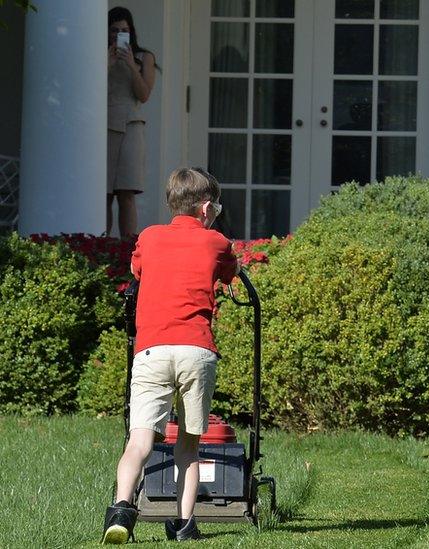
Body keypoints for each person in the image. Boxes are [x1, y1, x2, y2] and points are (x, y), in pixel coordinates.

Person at [101, 168, 239, 544]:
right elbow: (231, 273)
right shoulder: (217, 241)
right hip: (196, 350)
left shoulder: (149, 236)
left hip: (152, 349)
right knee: (190, 446)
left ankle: (120, 508)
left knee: (139, 441)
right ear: (207, 208)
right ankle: (183, 525)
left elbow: (137, 269)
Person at [107, 6, 157, 239]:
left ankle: (127, 248)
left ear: (131, 31)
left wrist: (130, 64)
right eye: (114, 31)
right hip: (104, 126)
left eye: (124, 30)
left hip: (131, 124)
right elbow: (89, 90)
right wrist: (107, 61)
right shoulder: (99, 55)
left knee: (126, 191)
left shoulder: (144, 57)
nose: (119, 35)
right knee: (103, 193)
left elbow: (144, 94)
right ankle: (100, 245)